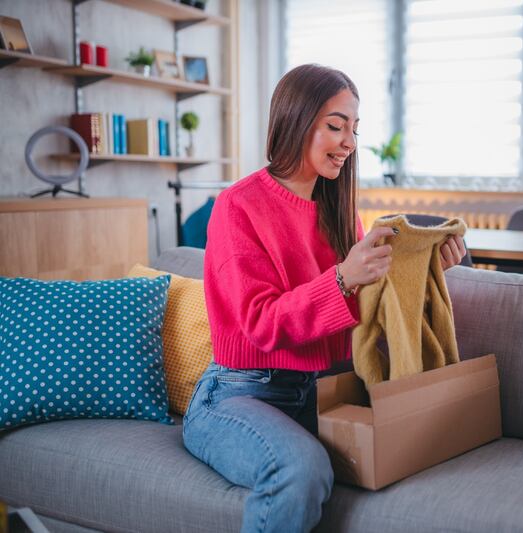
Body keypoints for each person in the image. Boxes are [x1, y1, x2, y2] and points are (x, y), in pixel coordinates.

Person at [182, 63, 467, 533]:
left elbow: (368, 307)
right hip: (240, 393)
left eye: (355, 129)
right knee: (301, 468)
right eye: (336, 126)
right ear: (295, 120)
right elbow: (260, 322)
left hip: (321, 390)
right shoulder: (238, 206)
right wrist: (341, 279)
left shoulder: (338, 210)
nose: (349, 143)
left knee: (416, 450)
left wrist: (429, 267)